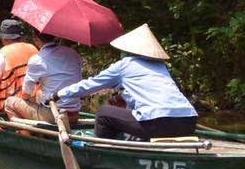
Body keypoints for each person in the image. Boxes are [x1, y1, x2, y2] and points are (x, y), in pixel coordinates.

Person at [52, 24, 197, 140]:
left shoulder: (125, 64)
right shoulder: (160, 66)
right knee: (123, 111)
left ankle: (103, 153)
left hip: (157, 123)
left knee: (103, 113)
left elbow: (89, 85)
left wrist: (59, 94)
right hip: (189, 122)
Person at [4, 29, 83, 124]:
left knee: (9, 102)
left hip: (55, 115)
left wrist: (28, 100)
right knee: (39, 94)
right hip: (75, 114)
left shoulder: (37, 59)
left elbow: (26, 93)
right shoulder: (73, 53)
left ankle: (25, 134)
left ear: (36, 39)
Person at [0, 19, 38, 115]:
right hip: (36, 101)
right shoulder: (33, 48)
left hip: (12, 104)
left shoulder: (1, 54)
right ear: (20, 36)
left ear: (4, 38)